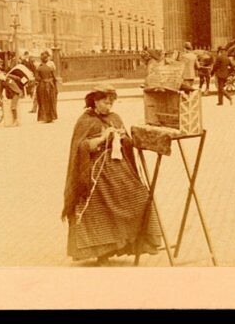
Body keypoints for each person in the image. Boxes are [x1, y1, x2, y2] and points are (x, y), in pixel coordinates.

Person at [61, 85, 162, 264]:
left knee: (140, 197)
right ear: (95, 101)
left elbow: (127, 143)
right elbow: (80, 147)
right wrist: (101, 139)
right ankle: (102, 252)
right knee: (99, 208)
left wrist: (123, 138)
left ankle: (135, 243)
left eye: (111, 102)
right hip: (95, 171)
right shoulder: (85, 120)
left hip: (119, 167)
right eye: (105, 102)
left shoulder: (115, 117)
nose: (109, 106)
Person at [36, 51, 58, 123]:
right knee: (50, 101)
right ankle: (51, 117)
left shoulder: (39, 68)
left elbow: (37, 78)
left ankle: (44, 117)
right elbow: (54, 78)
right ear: (47, 59)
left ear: (41, 60)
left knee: (43, 101)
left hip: (42, 86)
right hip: (50, 86)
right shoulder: (50, 68)